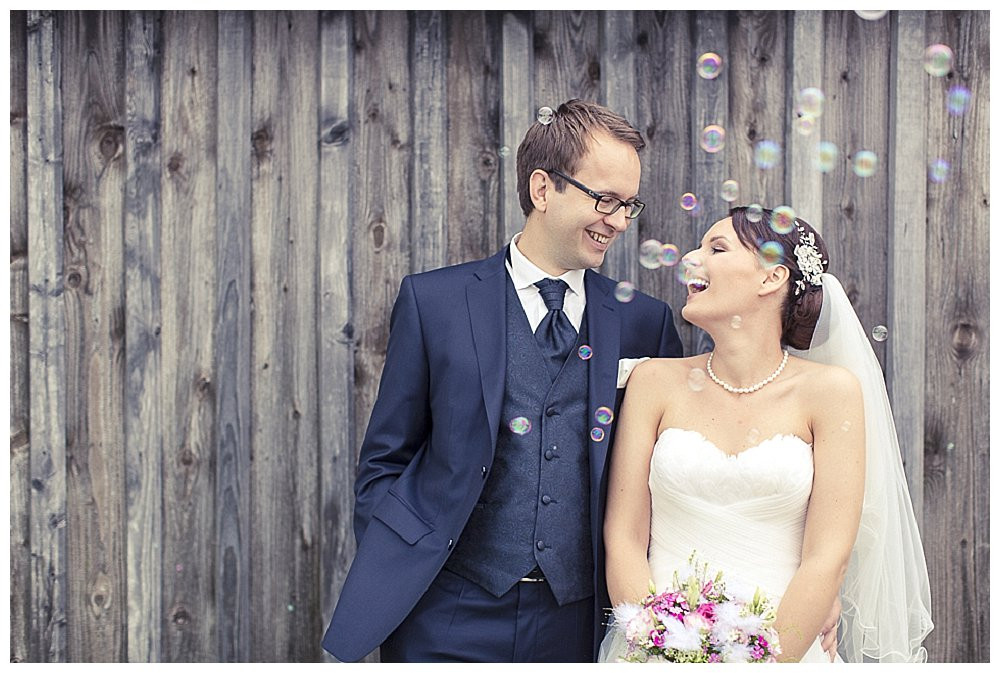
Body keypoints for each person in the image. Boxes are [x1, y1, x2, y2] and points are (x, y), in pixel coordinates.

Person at [321, 100, 684, 662]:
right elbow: (385, 460)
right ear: (543, 188)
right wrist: (399, 563)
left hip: (582, 624)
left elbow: (666, 483)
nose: (617, 220)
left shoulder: (645, 322)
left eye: (628, 204)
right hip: (445, 614)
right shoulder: (434, 303)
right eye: (605, 199)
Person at [599, 206, 933, 662]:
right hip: (653, 648)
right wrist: (660, 646)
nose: (691, 260)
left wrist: (765, 661)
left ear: (771, 278)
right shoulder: (653, 381)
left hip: (786, 649)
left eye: (716, 248)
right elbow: (624, 537)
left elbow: (826, 556)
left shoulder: (831, 393)